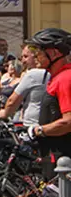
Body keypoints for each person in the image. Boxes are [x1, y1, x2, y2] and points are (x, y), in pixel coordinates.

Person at [28, 29, 71, 161]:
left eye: (38, 52)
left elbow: (68, 122)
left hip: (64, 158)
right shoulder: (55, 77)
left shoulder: (65, 79)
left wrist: (40, 130)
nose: (35, 56)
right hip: (54, 154)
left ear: (53, 53)